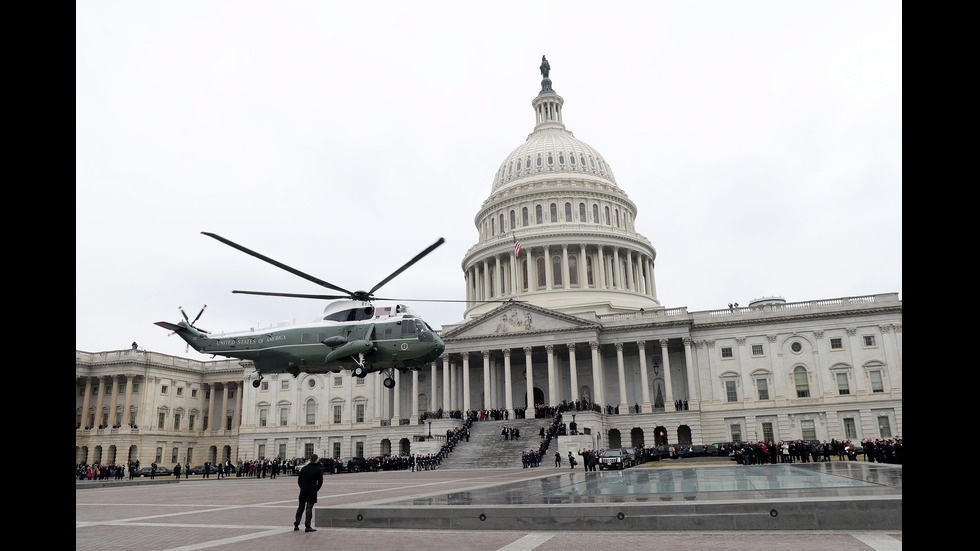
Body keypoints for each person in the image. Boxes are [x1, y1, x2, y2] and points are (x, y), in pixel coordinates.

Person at [295, 454, 324, 532]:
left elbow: (299, 481)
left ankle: (296, 524)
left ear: (310, 459)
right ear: (316, 460)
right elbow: (320, 482)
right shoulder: (318, 469)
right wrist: (316, 489)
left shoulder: (304, 469)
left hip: (303, 490)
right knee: (309, 508)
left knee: (300, 508)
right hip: (312, 491)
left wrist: (302, 487)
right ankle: (307, 526)